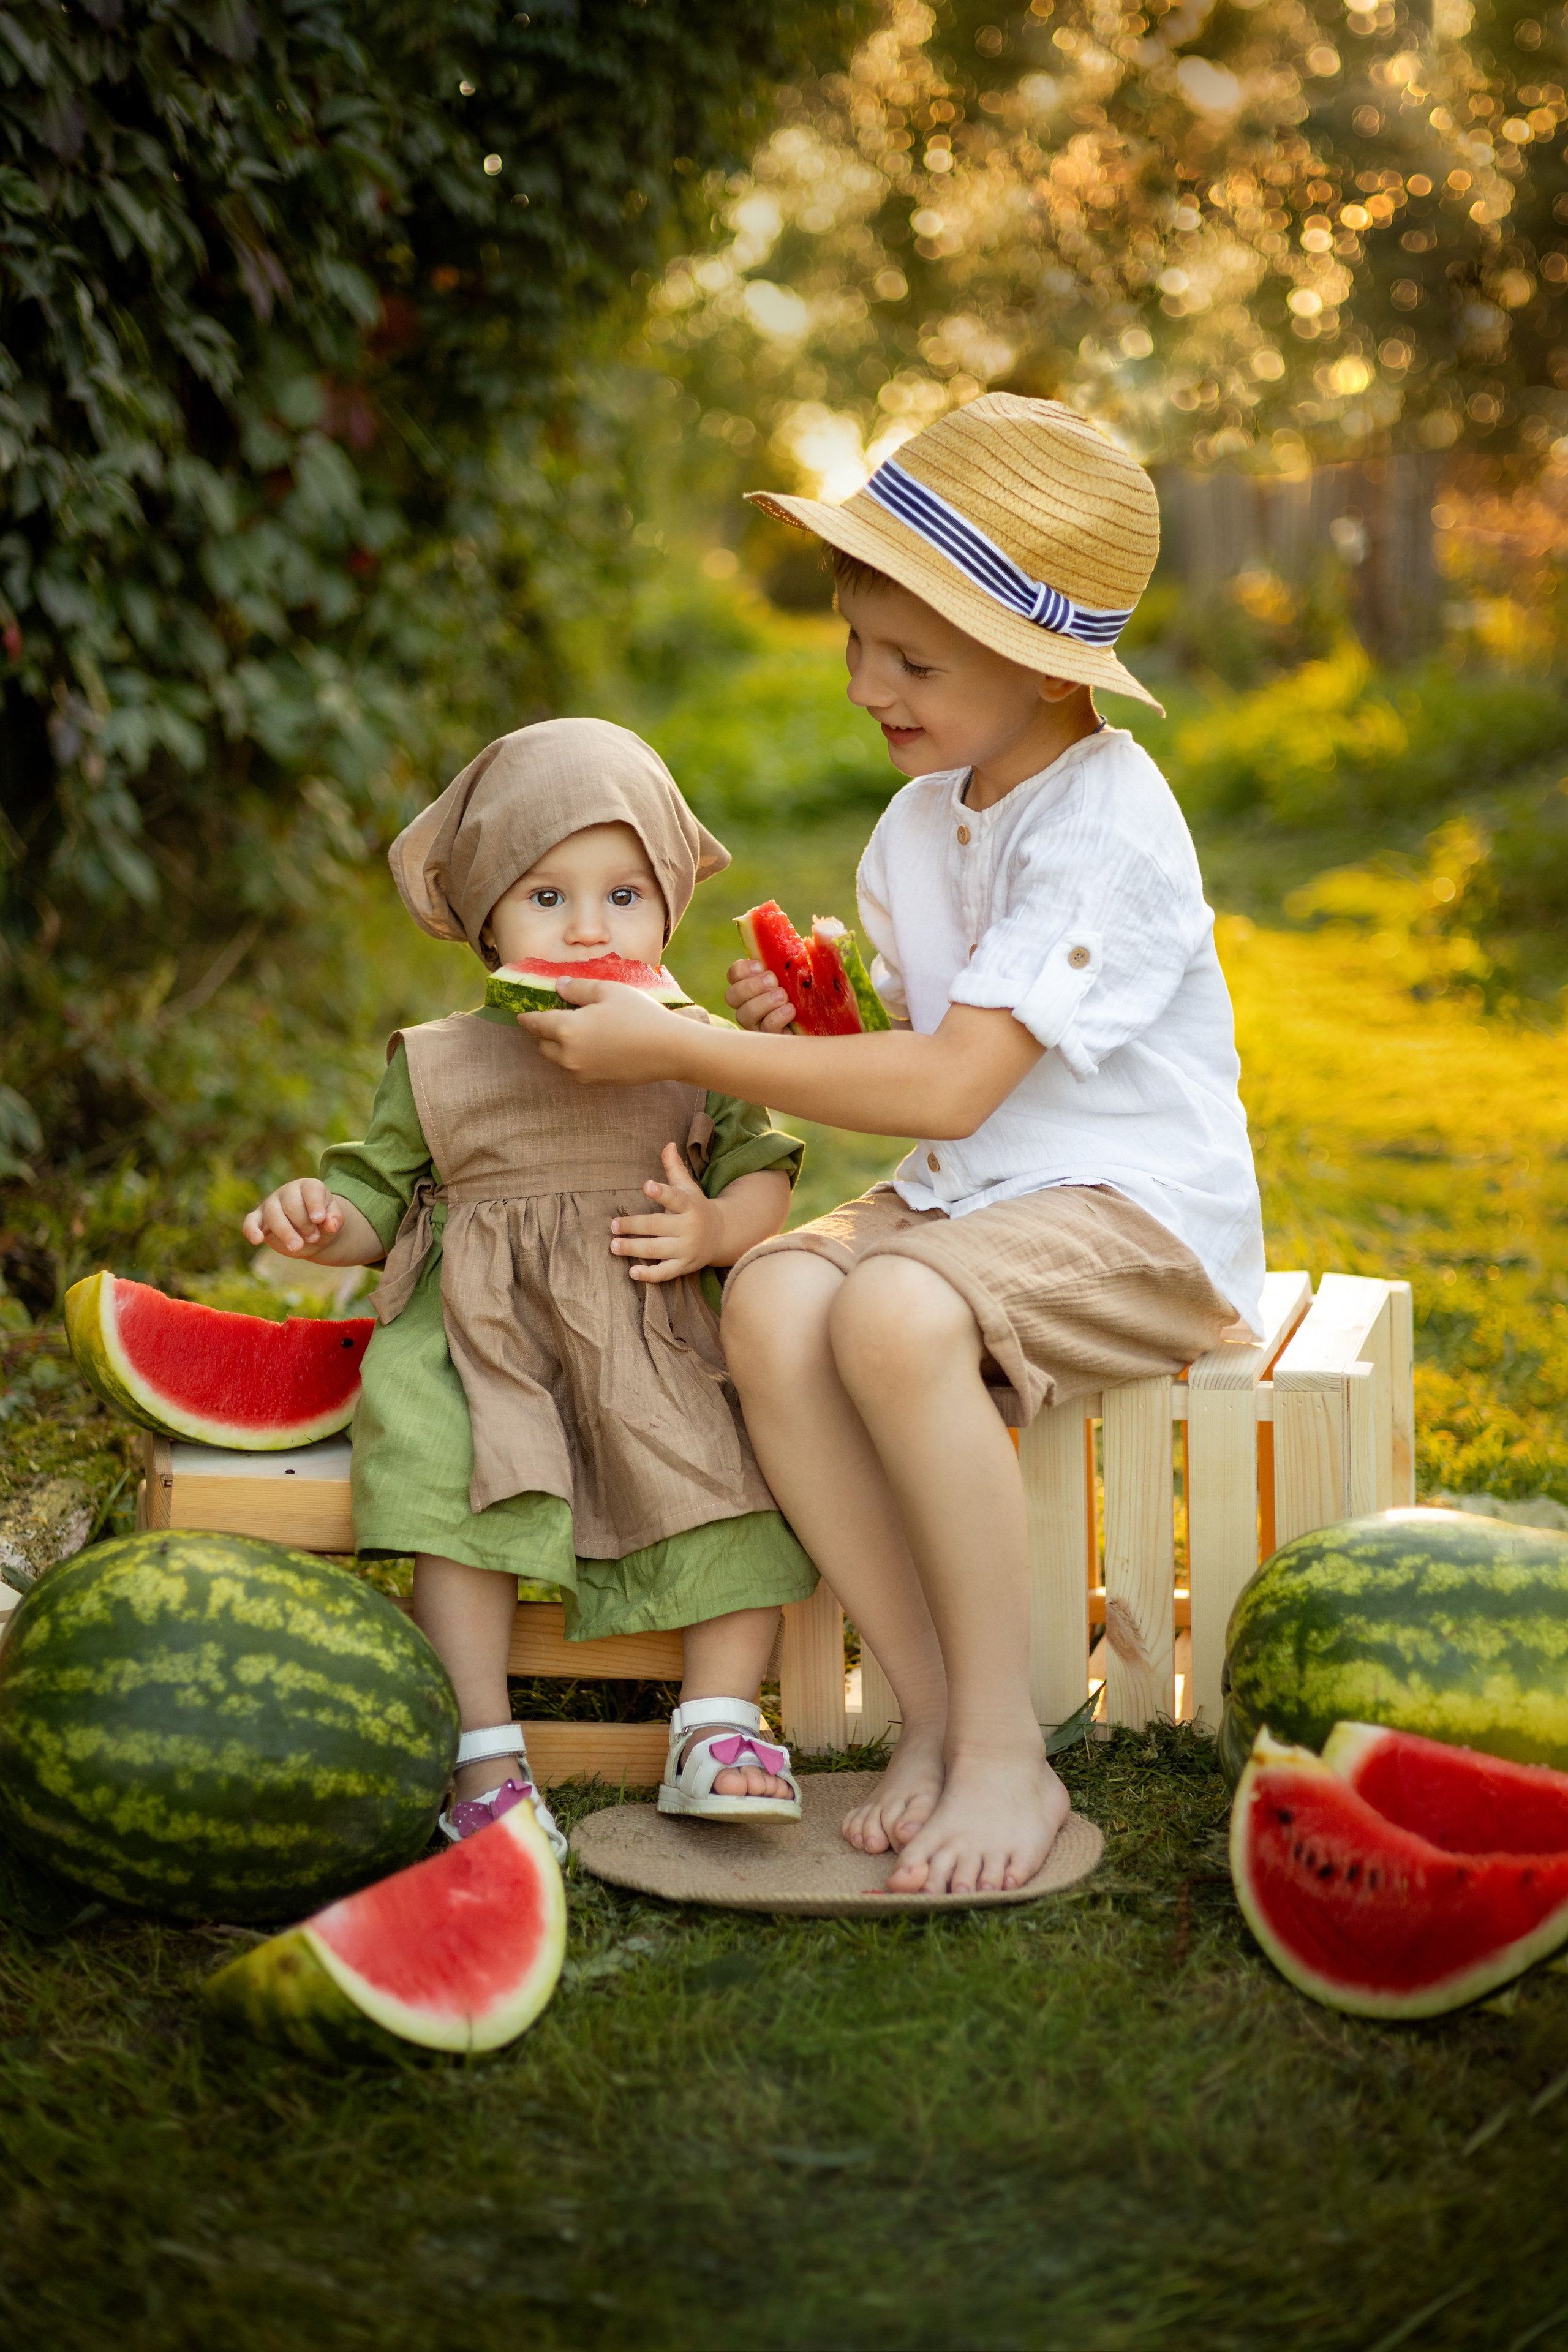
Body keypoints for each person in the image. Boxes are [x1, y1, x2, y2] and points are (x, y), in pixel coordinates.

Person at [514, 396, 1266, 1896]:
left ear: (1040, 664)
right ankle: (934, 1716)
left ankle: (1006, 1747)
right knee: (776, 1297)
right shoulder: (921, 823)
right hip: (976, 1197)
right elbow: (921, 1040)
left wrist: (678, 1044)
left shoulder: (1104, 819)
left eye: (911, 660)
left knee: (893, 1306)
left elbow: (950, 1086)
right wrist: (805, 1020)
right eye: (856, 640)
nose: (869, 684)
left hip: (1133, 1213)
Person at [243, 718, 816, 1856]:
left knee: (733, 1481)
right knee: (451, 1490)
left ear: (667, 909)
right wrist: (322, 1220)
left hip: (645, 1324)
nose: (590, 928)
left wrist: (710, 1230)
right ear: (486, 915)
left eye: (623, 894)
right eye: (546, 898)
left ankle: (720, 1721)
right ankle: (485, 1753)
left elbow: (763, 1172)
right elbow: (373, 1195)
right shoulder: (438, 1058)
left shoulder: (700, 1045)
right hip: (477, 1337)